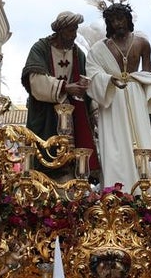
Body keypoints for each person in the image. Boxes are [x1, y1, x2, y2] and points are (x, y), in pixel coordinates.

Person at [86, 0, 151, 189]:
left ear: (128, 19)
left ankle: (147, 186)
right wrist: (109, 79)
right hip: (112, 96)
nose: (117, 23)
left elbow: (146, 75)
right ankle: (117, 188)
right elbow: (92, 72)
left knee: (142, 138)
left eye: (120, 18)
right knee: (115, 144)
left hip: (136, 95)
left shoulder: (142, 44)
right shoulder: (99, 49)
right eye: (112, 20)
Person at [21, 11, 100, 180]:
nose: (74, 35)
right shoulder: (40, 48)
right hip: (46, 115)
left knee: (72, 159)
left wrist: (84, 89)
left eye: (75, 30)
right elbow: (35, 81)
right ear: (60, 30)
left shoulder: (78, 53)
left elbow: (87, 84)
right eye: (70, 31)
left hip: (72, 116)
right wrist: (65, 87)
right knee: (45, 157)